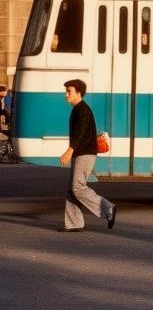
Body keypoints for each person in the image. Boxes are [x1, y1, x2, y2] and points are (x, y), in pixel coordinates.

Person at [60, 79, 117, 233]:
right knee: (72, 189)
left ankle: (107, 209)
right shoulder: (77, 109)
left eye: (69, 91)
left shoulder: (83, 110)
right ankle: (74, 223)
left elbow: (81, 133)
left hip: (85, 154)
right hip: (81, 152)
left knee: (77, 187)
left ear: (78, 93)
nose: (65, 95)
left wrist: (69, 151)